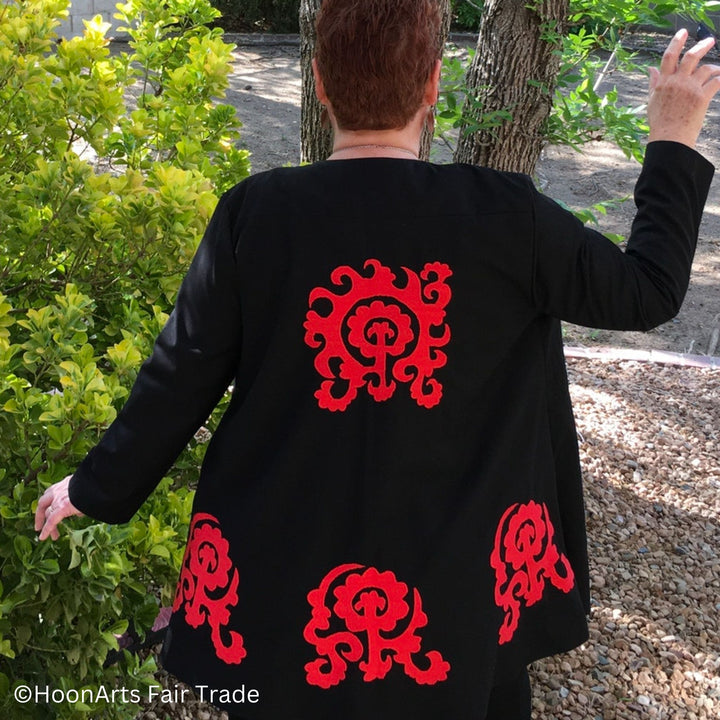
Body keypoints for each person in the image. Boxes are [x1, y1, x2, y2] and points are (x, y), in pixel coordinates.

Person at [35, 1, 720, 718]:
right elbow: (646, 293)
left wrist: (96, 486)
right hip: (463, 592)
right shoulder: (506, 216)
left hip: (286, 590)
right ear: (432, 84)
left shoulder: (256, 214)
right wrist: (672, 137)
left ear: (321, 83)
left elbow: (182, 373)